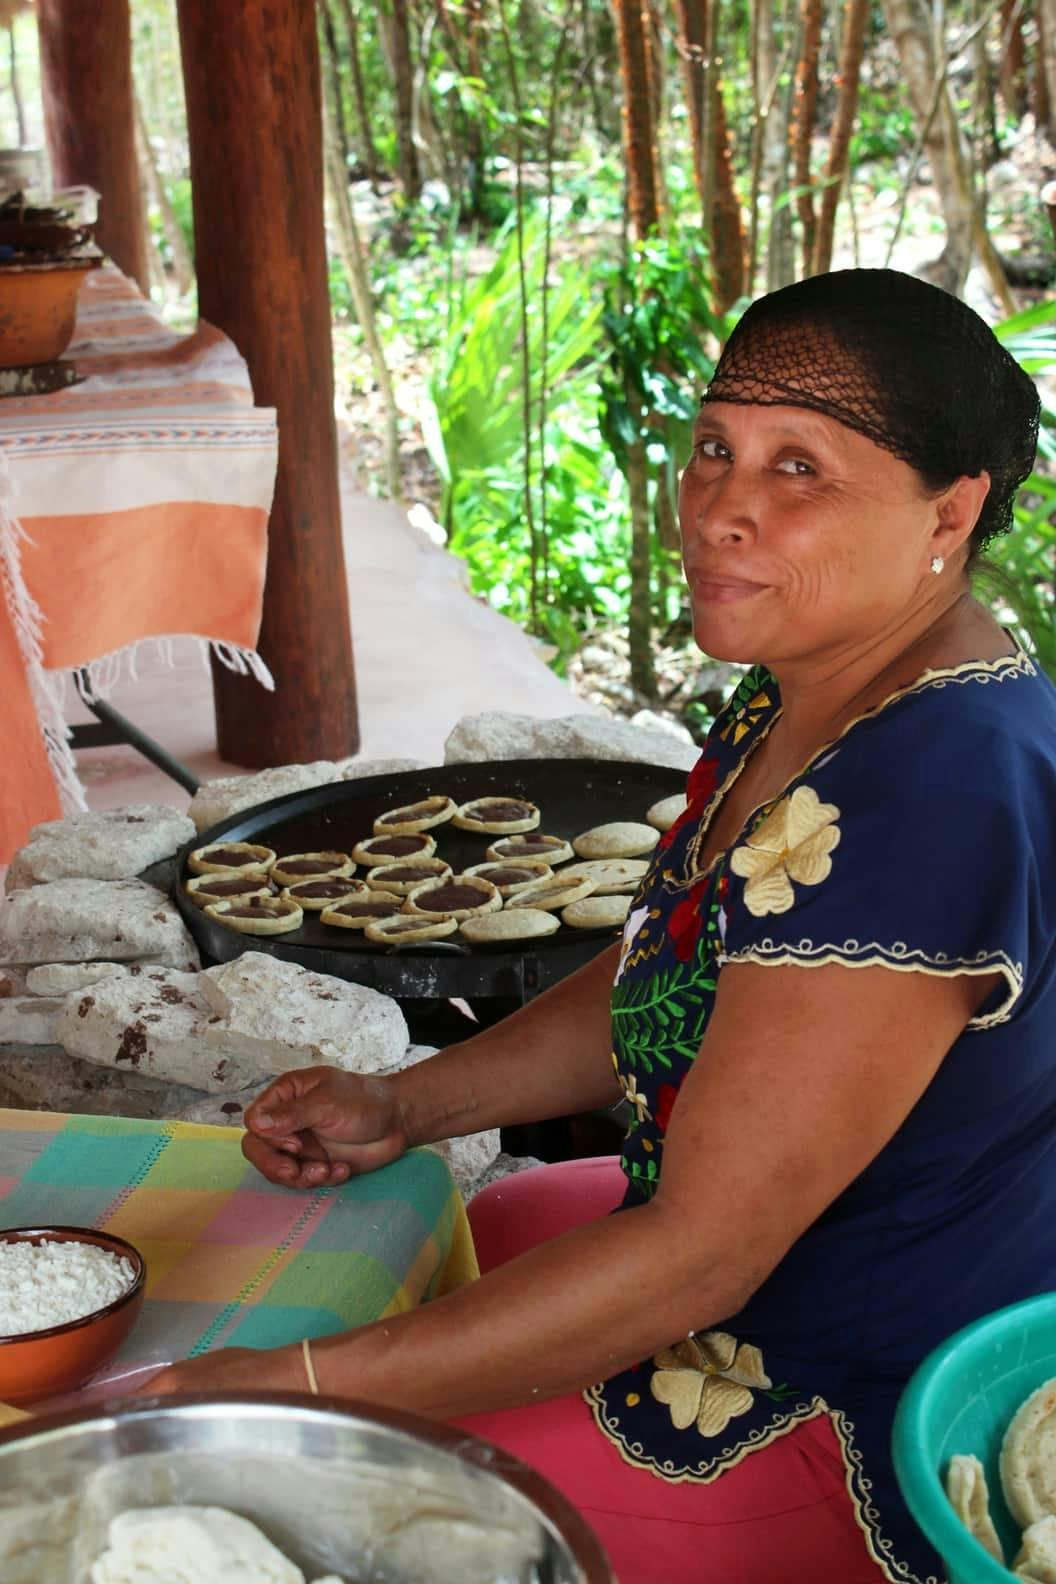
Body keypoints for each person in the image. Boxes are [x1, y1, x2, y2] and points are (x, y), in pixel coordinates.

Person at [147, 269, 1056, 1584]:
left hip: (853, 1390)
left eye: (799, 468)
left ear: (950, 510)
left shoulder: (934, 794)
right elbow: (666, 968)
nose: (721, 508)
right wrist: (411, 1105)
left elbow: (701, 1258)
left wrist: (282, 1390)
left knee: (312, 1508)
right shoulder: (819, 686)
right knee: (445, 1241)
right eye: (713, 450)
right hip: (765, 1260)